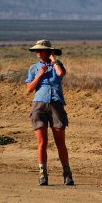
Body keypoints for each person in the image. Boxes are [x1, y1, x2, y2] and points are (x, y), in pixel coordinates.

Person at [25, 39, 74, 186]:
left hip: (56, 104)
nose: (38, 53)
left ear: (49, 51)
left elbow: (60, 74)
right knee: (42, 143)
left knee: (61, 143)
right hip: (39, 105)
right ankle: (43, 174)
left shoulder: (57, 65)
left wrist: (54, 60)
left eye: (41, 50)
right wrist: (39, 75)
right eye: (36, 51)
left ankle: (67, 174)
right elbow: (29, 88)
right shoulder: (34, 68)